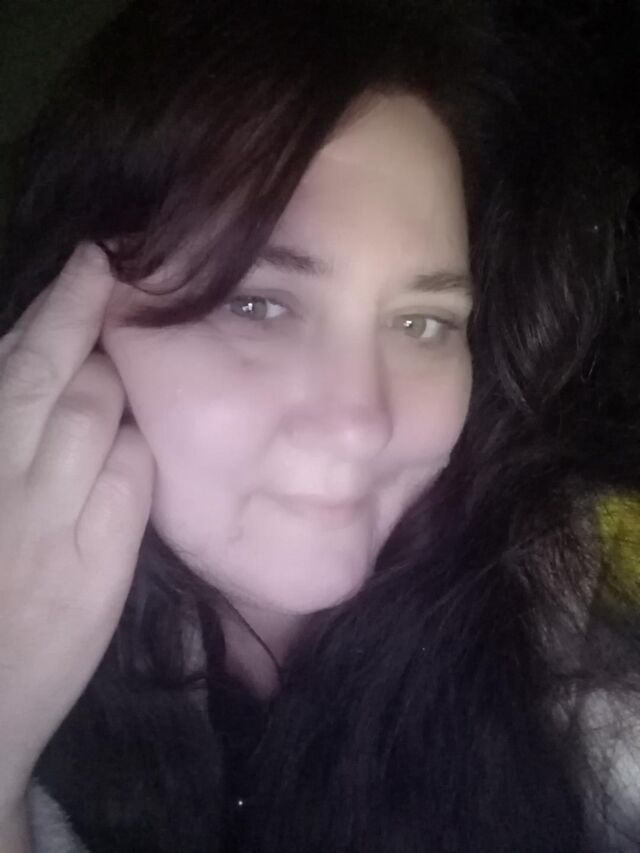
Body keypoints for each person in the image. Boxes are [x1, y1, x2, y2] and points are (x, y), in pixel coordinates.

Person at [0, 0, 638, 850]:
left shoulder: (574, 664)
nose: (360, 423)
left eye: (422, 323)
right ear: (63, 327)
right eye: (256, 304)